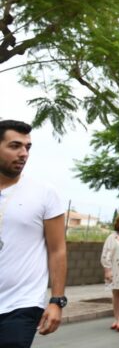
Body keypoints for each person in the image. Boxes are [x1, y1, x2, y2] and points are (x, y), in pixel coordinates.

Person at [0, 120, 66, 347]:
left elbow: (57, 250)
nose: (23, 153)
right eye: (14, 146)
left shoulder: (44, 194)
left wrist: (57, 301)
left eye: (27, 147)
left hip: (21, 305)